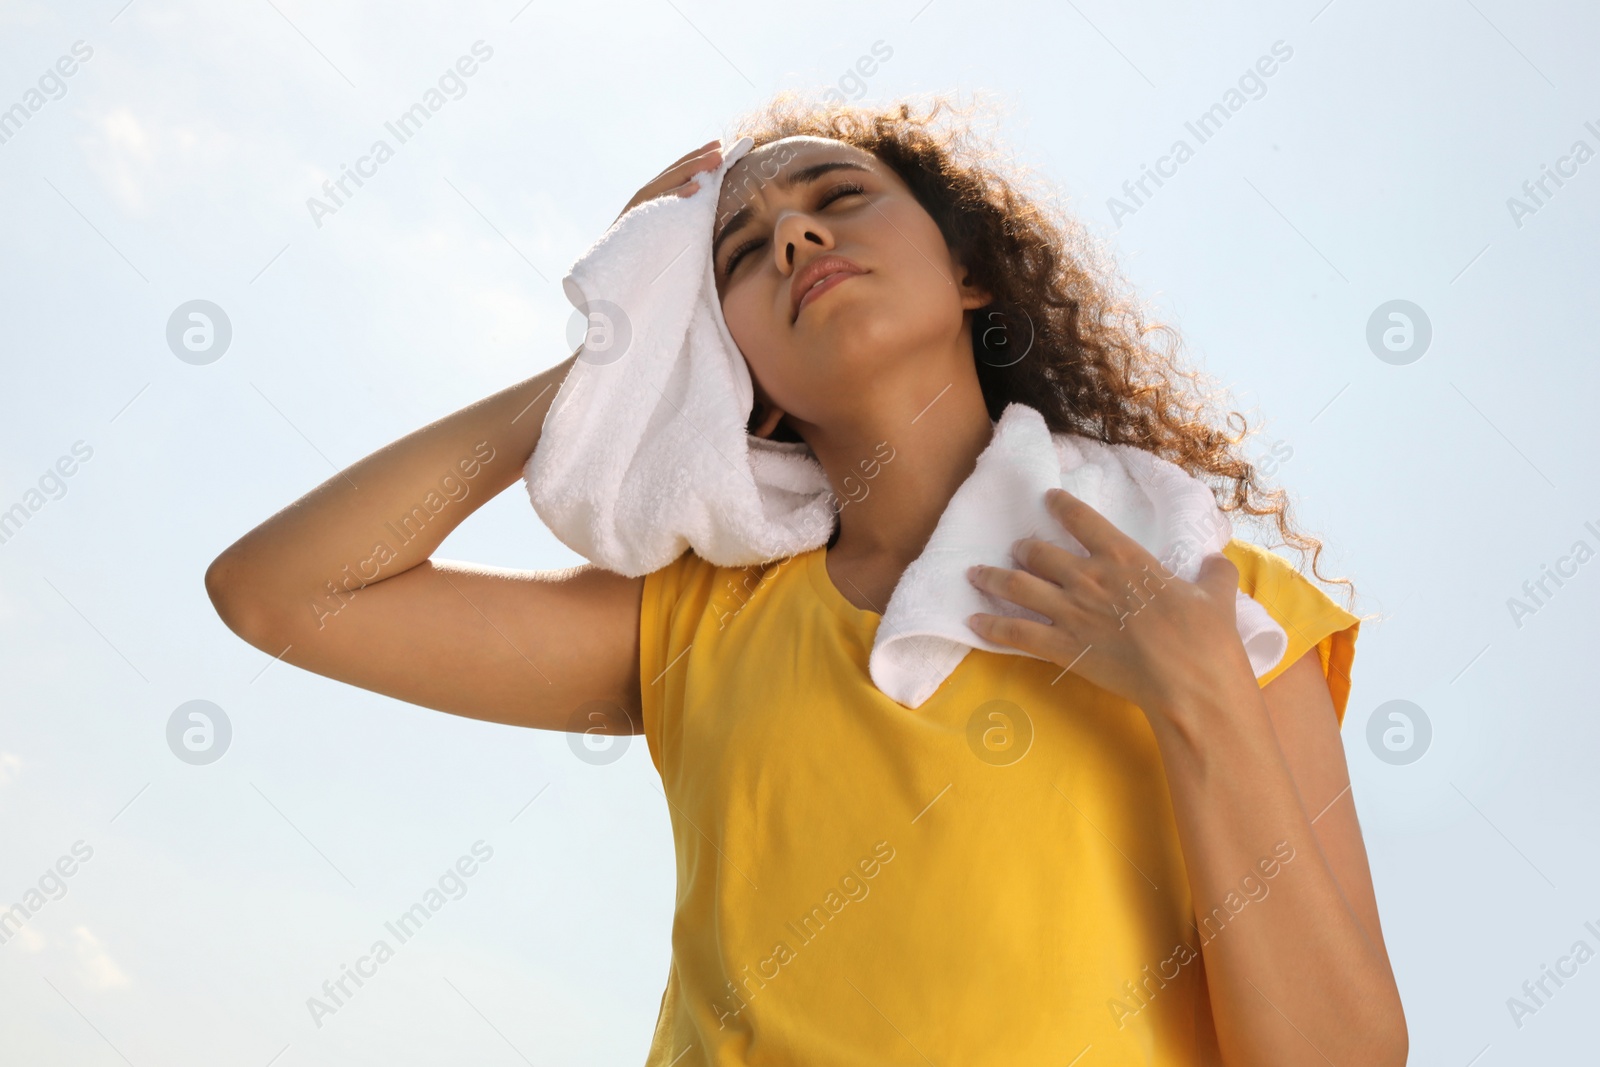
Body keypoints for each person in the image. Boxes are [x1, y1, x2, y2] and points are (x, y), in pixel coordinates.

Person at [207, 92, 1407, 1066]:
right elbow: (279, 592)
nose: (792, 236)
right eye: (736, 254)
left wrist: (1198, 693)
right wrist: (611, 361)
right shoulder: (698, 619)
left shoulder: (1204, 593)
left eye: (838, 198)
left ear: (971, 272)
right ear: (734, 368)